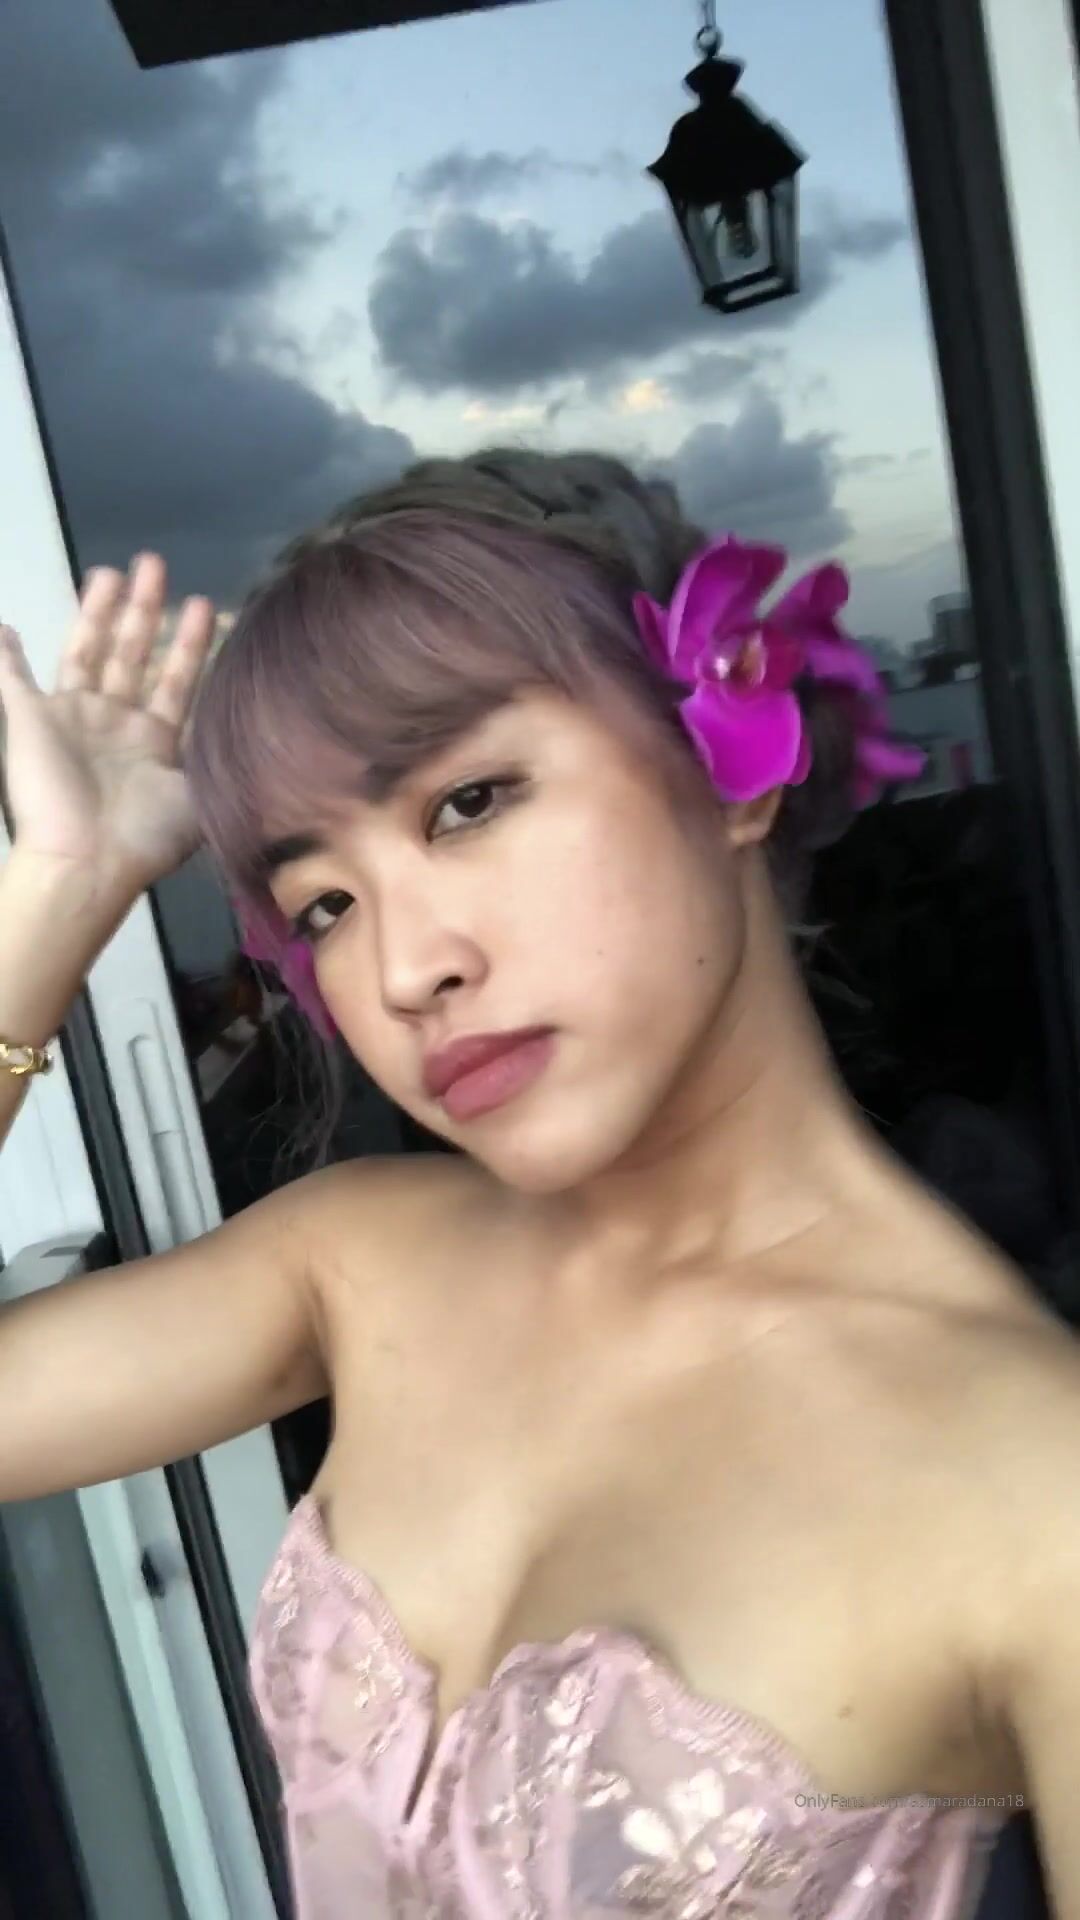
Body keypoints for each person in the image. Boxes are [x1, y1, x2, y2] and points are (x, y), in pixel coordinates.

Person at [0, 449, 1076, 1920]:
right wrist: (57, 895)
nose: (404, 968)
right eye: (326, 902)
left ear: (731, 764)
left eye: (468, 802)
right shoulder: (353, 1266)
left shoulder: (1029, 1481)